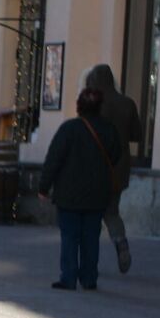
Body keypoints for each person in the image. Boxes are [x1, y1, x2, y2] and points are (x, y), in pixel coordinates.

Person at [39, 86, 126, 290]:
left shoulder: (69, 129)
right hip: (97, 193)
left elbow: (54, 158)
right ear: (99, 107)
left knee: (69, 236)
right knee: (91, 237)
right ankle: (89, 278)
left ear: (79, 106)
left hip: (69, 194)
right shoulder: (109, 129)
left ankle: (68, 277)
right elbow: (116, 155)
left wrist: (44, 186)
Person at [83, 63, 142, 272]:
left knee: (91, 215)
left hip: (96, 164)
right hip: (120, 165)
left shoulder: (94, 102)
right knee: (112, 211)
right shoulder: (128, 103)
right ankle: (120, 241)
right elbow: (136, 135)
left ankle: (91, 261)